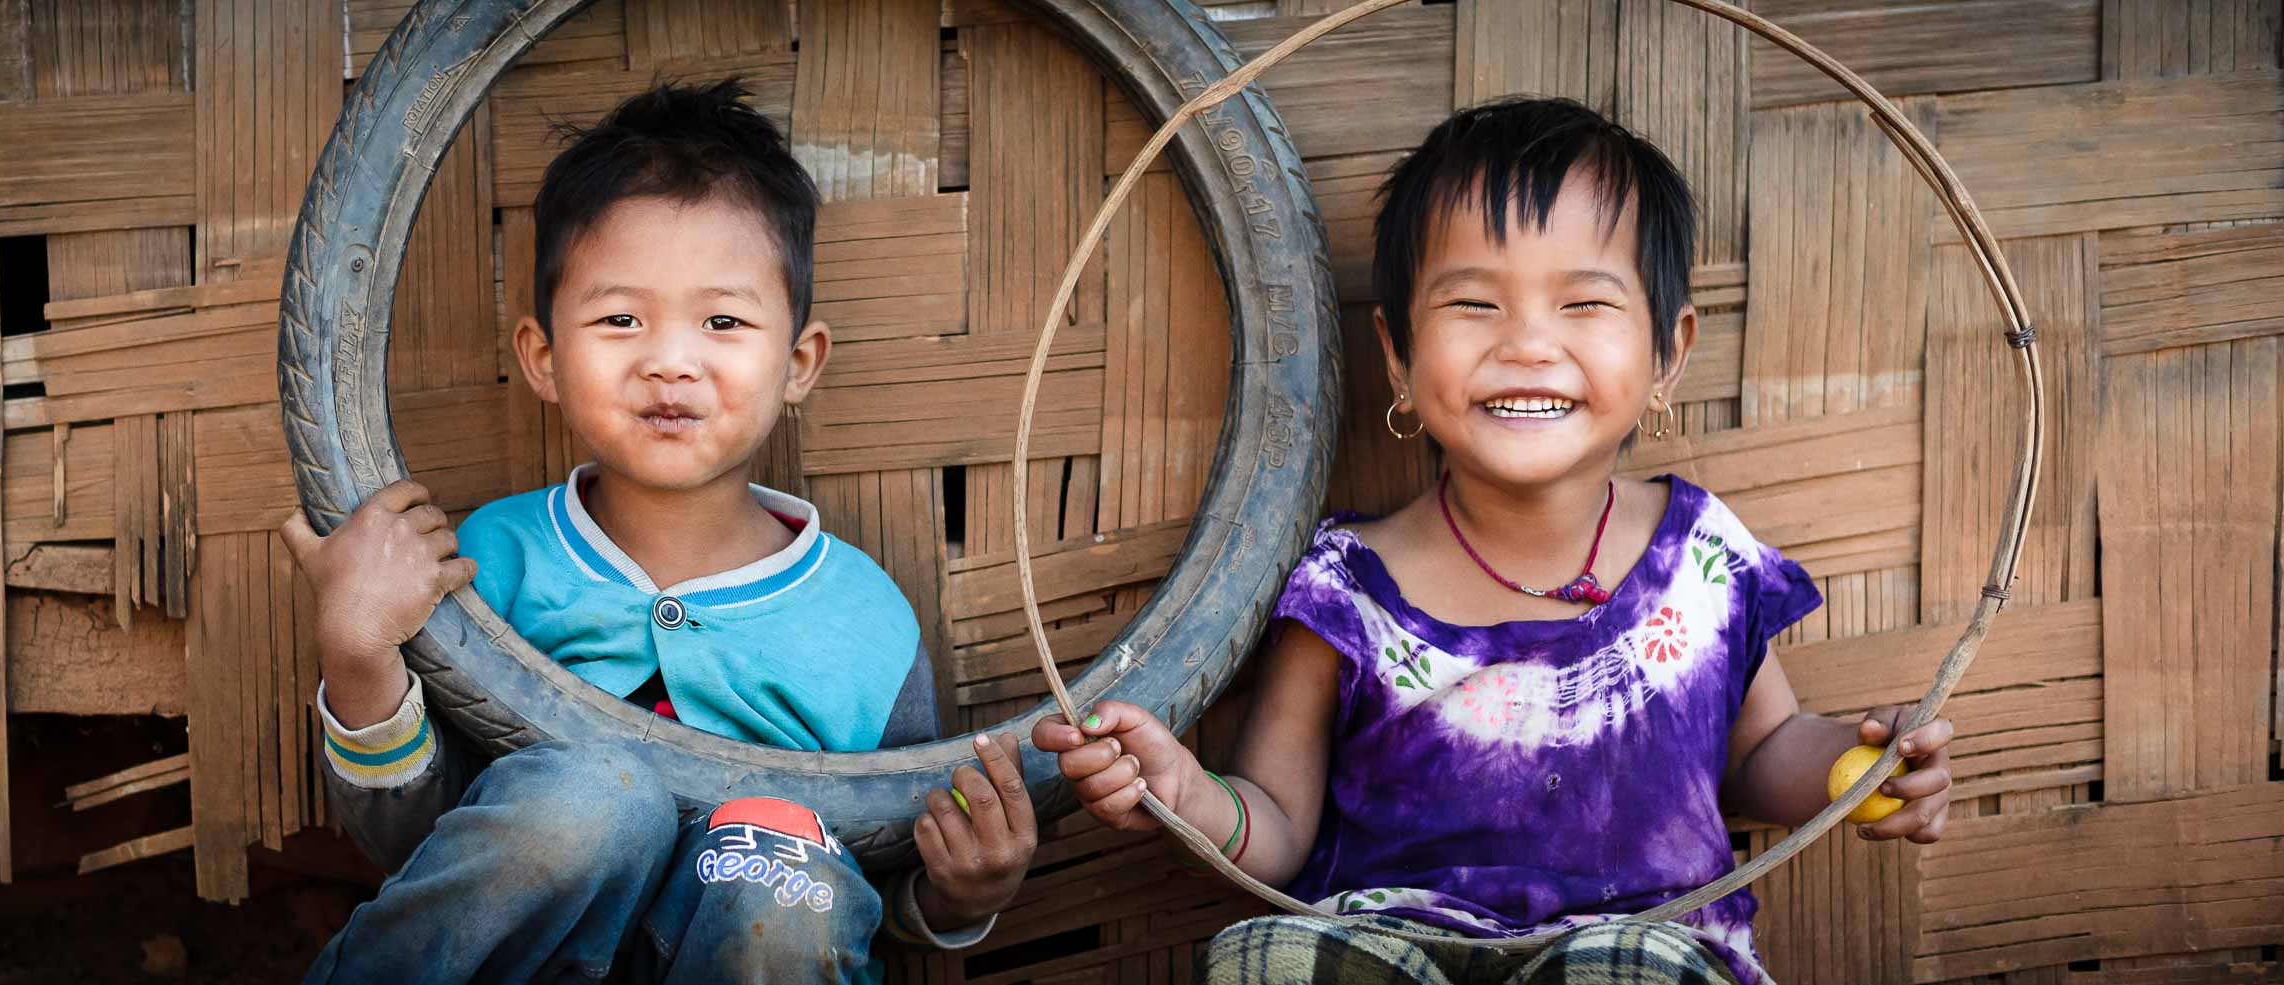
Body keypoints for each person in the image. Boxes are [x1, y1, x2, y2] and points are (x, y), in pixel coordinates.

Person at [1035, 97, 1957, 985]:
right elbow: (1277, 824)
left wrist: (1856, 763)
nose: (1527, 344)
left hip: (1639, 946)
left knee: (1628, 969)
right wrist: (1185, 791)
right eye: (1475, 304)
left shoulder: (1699, 556)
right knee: (1267, 958)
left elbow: (1761, 753)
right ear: (1397, 355)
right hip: (1391, 945)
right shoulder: (1349, 587)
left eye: (1584, 305)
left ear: (1669, 354)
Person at [281, 79, 1035, 985]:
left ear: (798, 363)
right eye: (620, 319)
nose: (670, 360)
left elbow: (881, 876)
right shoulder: (487, 563)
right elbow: (421, 847)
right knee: (593, 796)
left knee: (784, 874)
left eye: (722, 321)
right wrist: (358, 653)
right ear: (543, 358)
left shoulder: (866, 627)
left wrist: (959, 895)